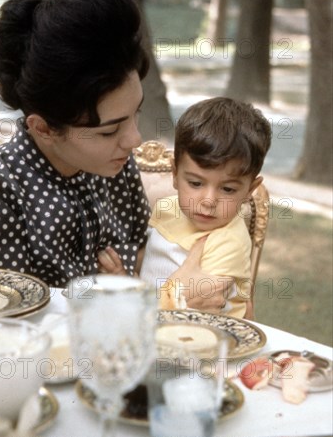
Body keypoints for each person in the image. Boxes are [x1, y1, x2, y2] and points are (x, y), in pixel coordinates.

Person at [0, 0, 229, 311]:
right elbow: (2, 334)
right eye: (108, 131)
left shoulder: (113, 161)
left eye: (135, 114)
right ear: (43, 129)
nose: (134, 140)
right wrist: (169, 299)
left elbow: (143, 255)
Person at [101, 97, 271, 318]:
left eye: (228, 189)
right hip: (156, 324)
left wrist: (136, 302)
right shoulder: (166, 209)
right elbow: (152, 279)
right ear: (174, 174)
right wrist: (126, 280)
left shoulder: (229, 242)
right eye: (195, 183)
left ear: (250, 189)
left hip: (210, 340)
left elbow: (196, 308)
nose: (208, 201)